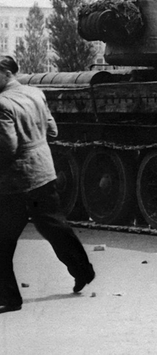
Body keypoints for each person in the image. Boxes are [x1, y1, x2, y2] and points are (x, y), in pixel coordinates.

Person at [0, 55, 95, 314]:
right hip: (44, 172)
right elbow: (52, 132)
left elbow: (7, 148)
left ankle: (9, 298)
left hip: (15, 181)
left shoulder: (2, 103)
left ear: (3, 73)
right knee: (53, 225)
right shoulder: (35, 93)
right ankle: (83, 271)